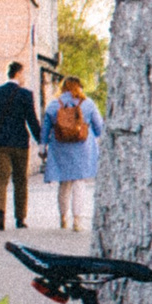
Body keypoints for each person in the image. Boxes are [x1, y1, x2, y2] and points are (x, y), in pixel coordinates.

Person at [0, 61, 46, 232]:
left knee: (0, 180)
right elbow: (32, 120)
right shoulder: (25, 95)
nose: (24, 77)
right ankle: (20, 218)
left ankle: (0, 215)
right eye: (23, 74)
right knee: (20, 180)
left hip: (0, 143)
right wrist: (41, 141)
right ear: (18, 73)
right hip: (20, 143)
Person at [40, 74, 105, 233]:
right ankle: (77, 220)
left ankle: (63, 217)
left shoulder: (54, 104)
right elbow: (99, 127)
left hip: (60, 147)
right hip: (82, 147)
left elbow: (46, 128)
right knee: (79, 183)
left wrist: (42, 146)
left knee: (64, 183)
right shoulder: (88, 104)